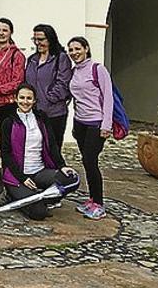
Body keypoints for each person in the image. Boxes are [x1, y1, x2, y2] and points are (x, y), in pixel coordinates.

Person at [0, 83, 79, 220]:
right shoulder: (8, 122)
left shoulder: (41, 118)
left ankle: (39, 197)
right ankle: (14, 195)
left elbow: (52, 145)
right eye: (22, 98)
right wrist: (22, 178)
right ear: (16, 99)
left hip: (39, 172)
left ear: (34, 100)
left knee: (70, 178)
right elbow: (5, 154)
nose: (25, 102)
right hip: (17, 176)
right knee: (39, 213)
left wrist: (62, 166)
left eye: (29, 98)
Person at [68, 37, 112, 220]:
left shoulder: (97, 69)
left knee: (90, 161)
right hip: (80, 123)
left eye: (77, 48)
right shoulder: (74, 71)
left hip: (96, 122)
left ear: (86, 49)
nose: (74, 52)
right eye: (71, 50)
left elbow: (108, 97)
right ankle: (92, 199)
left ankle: (99, 204)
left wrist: (106, 125)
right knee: (86, 162)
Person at [24, 24, 72, 152]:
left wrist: (48, 98)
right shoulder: (32, 60)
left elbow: (63, 83)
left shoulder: (61, 58)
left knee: (52, 150)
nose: (37, 43)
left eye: (41, 39)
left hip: (54, 113)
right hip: (34, 112)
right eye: (35, 39)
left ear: (50, 39)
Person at [0, 18, 26, 126]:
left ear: (11, 32)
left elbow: (17, 82)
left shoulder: (17, 55)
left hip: (8, 104)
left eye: (5, 30)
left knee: (7, 139)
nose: (1, 33)